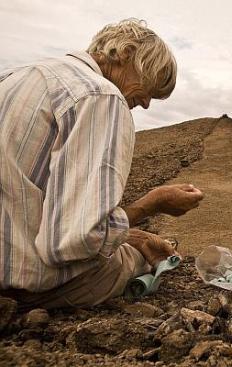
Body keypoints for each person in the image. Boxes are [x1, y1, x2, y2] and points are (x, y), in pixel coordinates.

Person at [0, 19, 203, 309]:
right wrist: (151, 204)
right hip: (24, 283)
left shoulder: (15, 77)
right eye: (150, 87)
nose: (145, 103)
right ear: (127, 52)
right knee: (133, 258)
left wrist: (126, 233)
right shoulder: (102, 96)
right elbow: (72, 243)